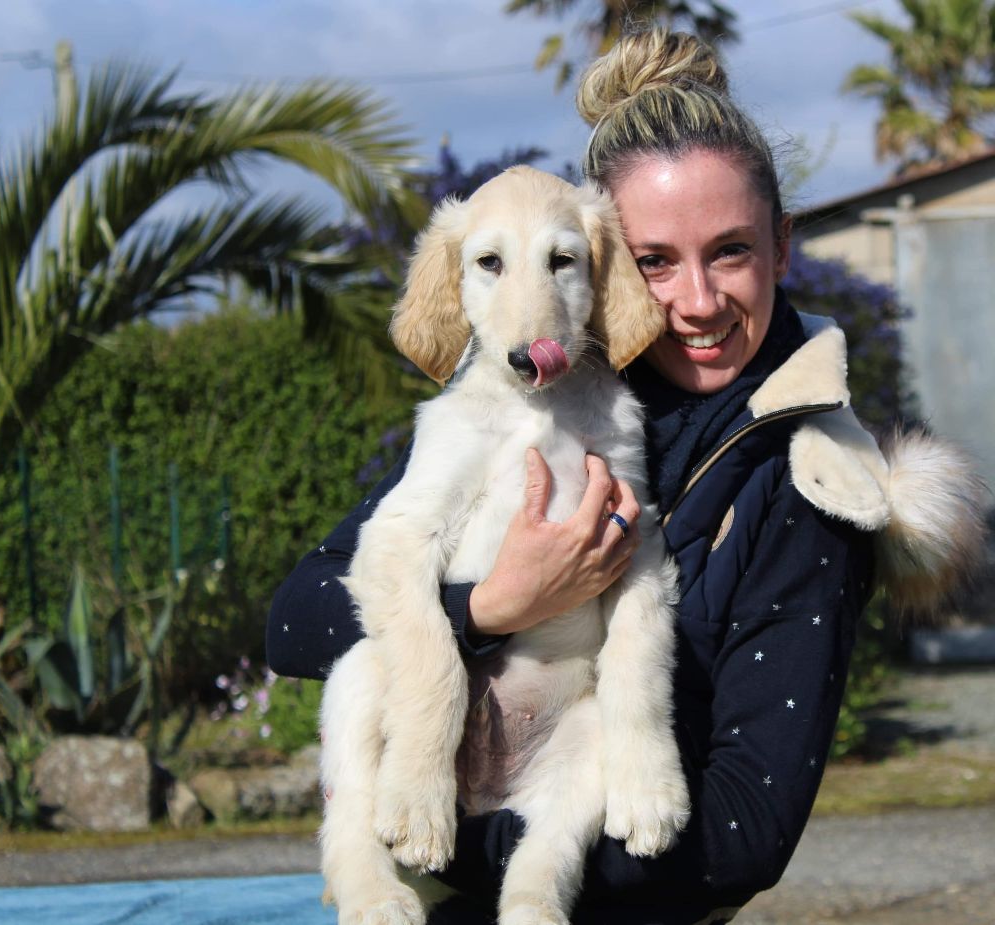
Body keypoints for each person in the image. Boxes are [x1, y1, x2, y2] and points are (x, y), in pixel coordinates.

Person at [266, 27, 978, 925]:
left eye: (730, 250)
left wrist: (464, 838)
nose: (696, 301)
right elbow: (297, 620)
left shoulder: (814, 487)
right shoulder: (543, 392)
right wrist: (493, 606)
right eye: (654, 261)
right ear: (609, 265)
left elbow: (744, 832)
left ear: (783, 245)